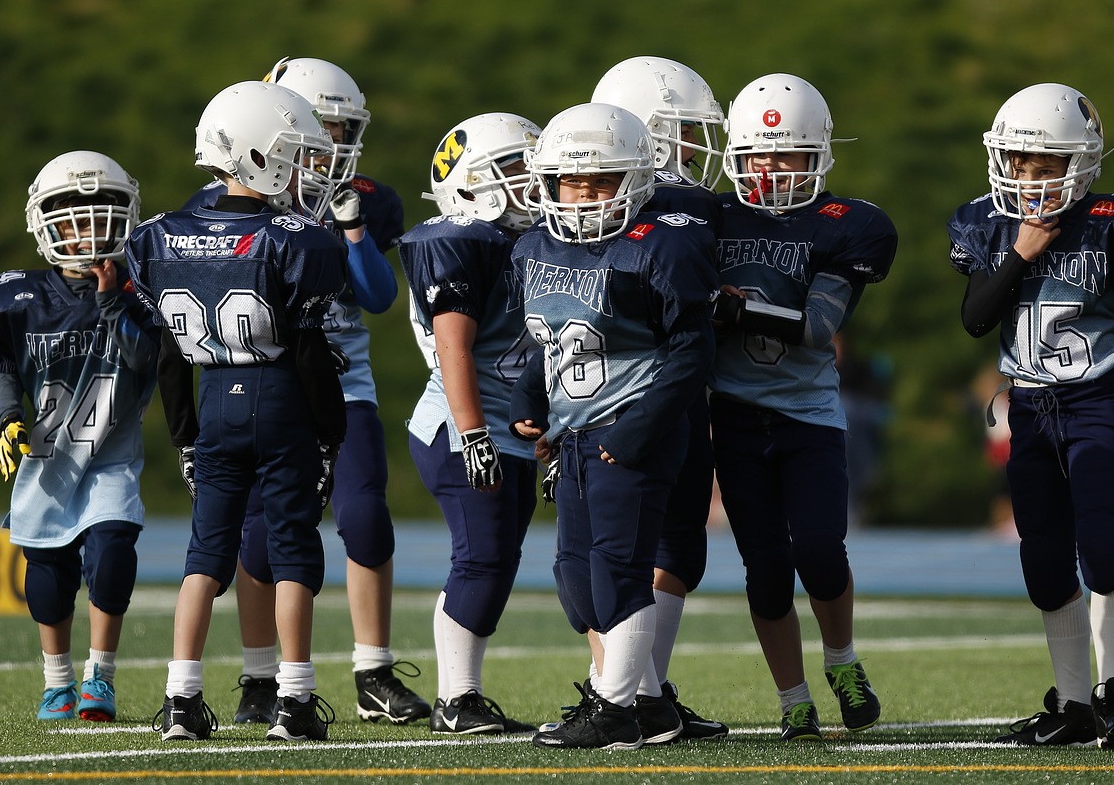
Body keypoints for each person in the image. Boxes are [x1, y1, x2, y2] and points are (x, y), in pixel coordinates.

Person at [183, 57, 428, 728]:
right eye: (321, 125)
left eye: (343, 127)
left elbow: (377, 296)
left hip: (343, 381)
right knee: (260, 536)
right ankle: (261, 678)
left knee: (366, 516)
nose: (334, 140)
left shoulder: (366, 198)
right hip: (262, 385)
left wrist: (352, 229)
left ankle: (373, 671)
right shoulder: (227, 201)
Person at [947, 82, 1114, 749]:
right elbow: (975, 318)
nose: (1026, 176)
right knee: (1044, 559)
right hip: (1029, 405)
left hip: (1099, 398)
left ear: (1080, 163)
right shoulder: (990, 224)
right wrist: (1022, 250)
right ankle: (1074, 703)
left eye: (1042, 163)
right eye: (1017, 161)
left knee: (1101, 542)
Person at [128, 80, 349, 742]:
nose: (304, 167)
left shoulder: (161, 236)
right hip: (279, 400)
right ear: (260, 153)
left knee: (205, 554)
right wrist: (331, 435)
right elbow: (308, 354)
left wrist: (185, 437)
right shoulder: (295, 239)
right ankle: (295, 700)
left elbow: (170, 357)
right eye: (294, 153)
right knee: (292, 549)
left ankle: (181, 698)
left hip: (212, 401)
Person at [510, 102, 718, 749]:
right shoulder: (533, 247)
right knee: (576, 579)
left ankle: (616, 709)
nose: (583, 195)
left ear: (635, 180)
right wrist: (528, 399)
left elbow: (692, 352)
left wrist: (638, 431)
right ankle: (640, 706)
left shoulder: (658, 245)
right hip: (572, 436)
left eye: (601, 181)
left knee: (618, 571)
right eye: (571, 182)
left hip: (630, 428)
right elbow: (545, 341)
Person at [710, 73, 896, 741]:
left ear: (818, 152)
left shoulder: (845, 225)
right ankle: (793, 699)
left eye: (786, 153)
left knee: (819, 549)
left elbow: (818, 327)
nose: (771, 168)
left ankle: (842, 662)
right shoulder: (710, 217)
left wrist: (731, 308)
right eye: (758, 153)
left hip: (807, 414)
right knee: (765, 571)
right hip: (734, 414)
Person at [567, 55, 727, 740]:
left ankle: (641, 694)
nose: (693, 146)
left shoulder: (679, 209)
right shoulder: (673, 212)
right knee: (612, 553)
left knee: (660, 549)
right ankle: (623, 695)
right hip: (630, 395)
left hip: (634, 392)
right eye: (682, 131)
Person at [0, 151, 154, 723]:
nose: (88, 234)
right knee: (47, 578)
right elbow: (6, 365)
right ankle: (58, 682)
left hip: (111, 456)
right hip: (49, 458)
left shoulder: (141, 292)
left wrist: (110, 301)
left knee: (112, 553)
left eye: (100, 219)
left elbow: (145, 358)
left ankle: (101, 676)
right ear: (47, 227)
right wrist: (8, 418)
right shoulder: (19, 300)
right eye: (75, 222)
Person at [399, 112, 543, 735]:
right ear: (470, 183)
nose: (531, 179)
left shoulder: (530, 241)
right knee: (481, 557)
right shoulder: (461, 242)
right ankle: (456, 700)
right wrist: (475, 433)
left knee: (498, 559)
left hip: (510, 428)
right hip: (463, 425)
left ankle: (463, 696)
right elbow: (453, 347)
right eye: (514, 168)